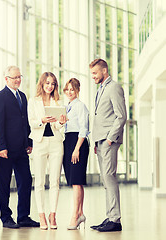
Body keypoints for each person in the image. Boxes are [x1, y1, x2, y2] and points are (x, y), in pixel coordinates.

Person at [0, 66, 39, 229]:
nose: (18, 80)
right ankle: (6, 217)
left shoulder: (23, 96)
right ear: (6, 79)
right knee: (4, 184)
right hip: (6, 149)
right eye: (14, 78)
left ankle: (24, 216)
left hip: (21, 147)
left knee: (25, 181)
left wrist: (29, 142)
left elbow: (24, 120)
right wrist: (1, 147)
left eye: (20, 76)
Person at [89, 59, 127, 232]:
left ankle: (115, 220)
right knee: (106, 179)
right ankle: (110, 216)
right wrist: (98, 141)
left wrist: (110, 138)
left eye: (95, 73)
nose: (93, 76)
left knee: (109, 178)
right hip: (101, 141)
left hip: (109, 140)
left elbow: (121, 116)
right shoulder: (102, 88)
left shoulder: (114, 87)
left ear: (104, 71)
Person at [28, 72, 66, 230]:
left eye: (53, 83)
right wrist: (41, 121)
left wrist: (61, 122)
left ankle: (53, 214)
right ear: (42, 84)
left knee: (55, 181)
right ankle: (42, 215)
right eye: (47, 83)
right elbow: (31, 122)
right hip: (39, 142)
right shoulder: (33, 101)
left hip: (56, 143)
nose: (50, 86)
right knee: (39, 181)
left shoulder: (58, 101)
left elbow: (57, 126)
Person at [62, 78, 90, 230]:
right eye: (67, 89)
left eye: (72, 89)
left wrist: (77, 148)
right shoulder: (67, 107)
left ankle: (75, 216)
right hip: (68, 141)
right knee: (75, 181)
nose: (69, 92)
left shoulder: (81, 107)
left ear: (78, 90)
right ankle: (80, 213)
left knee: (77, 181)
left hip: (77, 142)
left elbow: (84, 129)